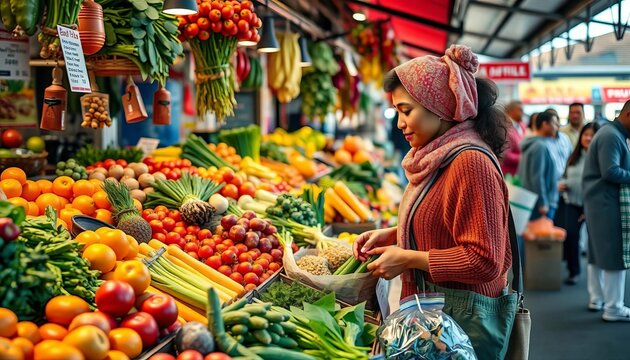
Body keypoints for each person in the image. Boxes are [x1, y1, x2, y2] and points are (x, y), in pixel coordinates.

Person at [353, 45, 516, 359]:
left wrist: (409, 258)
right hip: (436, 320)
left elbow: (485, 260)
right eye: (397, 112)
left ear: (438, 106)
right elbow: (443, 222)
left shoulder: (469, 162)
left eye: (406, 110)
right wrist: (393, 235)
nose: (399, 123)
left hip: (462, 322)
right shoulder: (435, 155)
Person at [583, 100, 630, 322]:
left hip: (599, 202)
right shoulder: (612, 135)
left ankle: (598, 298)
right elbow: (610, 171)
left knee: (598, 252)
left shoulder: (609, 133)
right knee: (614, 253)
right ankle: (614, 307)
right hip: (607, 203)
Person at [558, 122, 600, 285]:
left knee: (594, 241)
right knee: (571, 236)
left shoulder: (598, 157)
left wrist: (587, 207)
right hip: (571, 202)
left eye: (592, 134)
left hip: (592, 205)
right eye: (585, 134)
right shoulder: (573, 156)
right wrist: (562, 183)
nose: (588, 138)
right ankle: (574, 271)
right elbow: (564, 175)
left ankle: (596, 276)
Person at [517, 111, 560, 219]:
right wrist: (543, 202)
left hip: (530, 199)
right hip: (539, 204)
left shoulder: (533, 143)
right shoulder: (539, 146)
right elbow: (537, 177)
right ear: (545, 124)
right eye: (554, 123)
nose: (557, 127)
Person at [501, 101, 527, 176]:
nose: (523, 112)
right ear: (511, 111)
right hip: (510, 174)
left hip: (520, 171)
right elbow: (505, 156)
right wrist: (524, 158)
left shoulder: (522, 125)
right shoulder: (505, 128)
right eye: (520, 110)